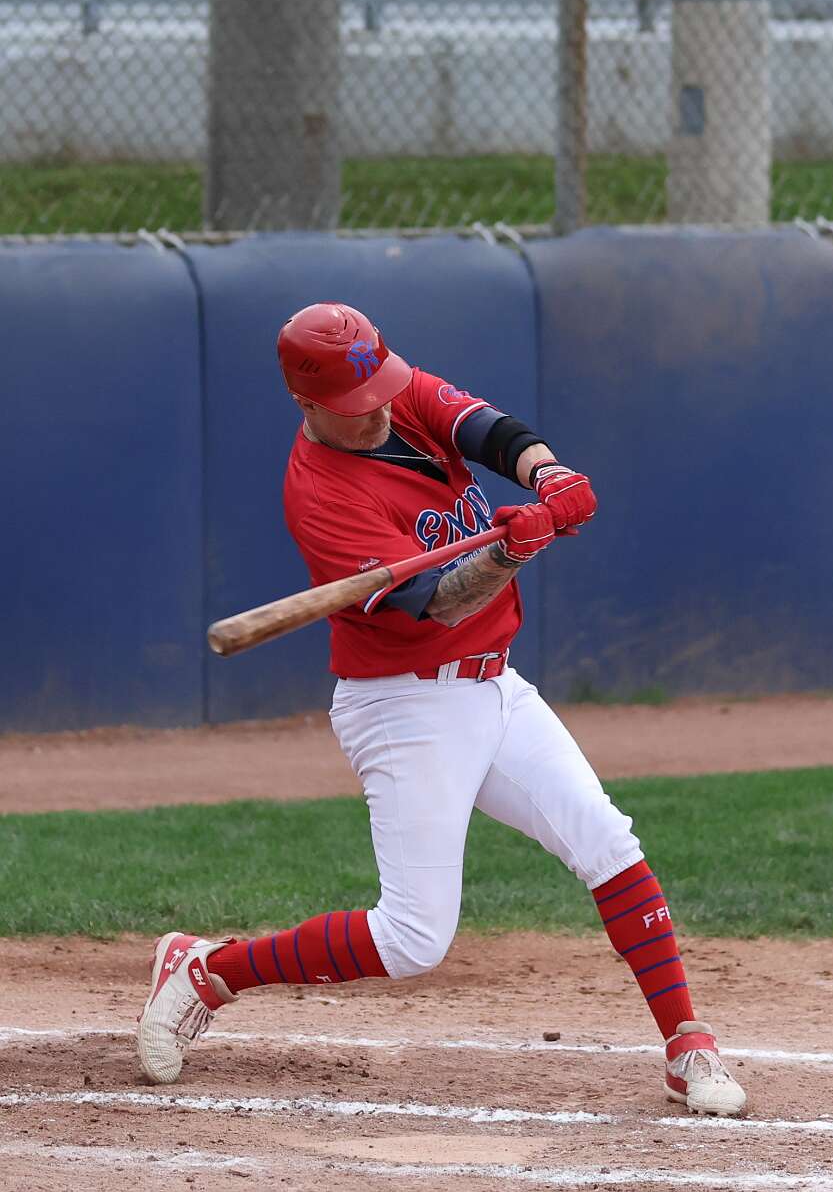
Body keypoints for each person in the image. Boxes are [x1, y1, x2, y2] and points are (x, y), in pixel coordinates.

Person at [135, 301, 746, 1117]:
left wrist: (547, 476)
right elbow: (440, 603)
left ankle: (686, 1044)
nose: (379, 411)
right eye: (355, 406)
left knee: (606, 840)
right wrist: (514, 549)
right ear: (305, 402)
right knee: (414, 937)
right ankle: (209, 969)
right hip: (404, 705)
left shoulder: (390, 388)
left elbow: (487, 431)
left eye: (381, 390)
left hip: (496, 686)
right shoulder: (319, 493)